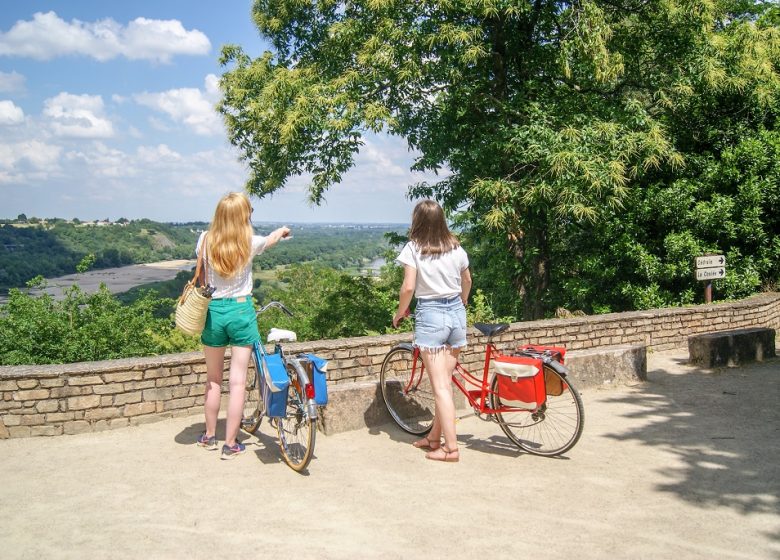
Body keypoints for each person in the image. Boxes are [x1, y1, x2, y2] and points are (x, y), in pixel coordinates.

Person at [195, 192, 290, 459]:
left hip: (213, 310)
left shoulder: (204, 240)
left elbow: (200, 276)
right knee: (237, 383)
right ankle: (231, 444)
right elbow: (270, 240)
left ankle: (209, 436)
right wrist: (282, 230)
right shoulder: (248, 241)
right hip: (241, 310)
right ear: (243, 215)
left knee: (213, 379)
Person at [392, 200, 472, 463]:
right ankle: (434, 438)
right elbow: (467, 280)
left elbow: (408, 287)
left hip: (431, 315)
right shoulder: (455, 247)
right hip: (456, 314)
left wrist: (401, 311)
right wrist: (462, 302)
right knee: (445, 385)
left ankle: (451, 449)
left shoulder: (413, 248)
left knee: (440, 387)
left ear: (418, 220)